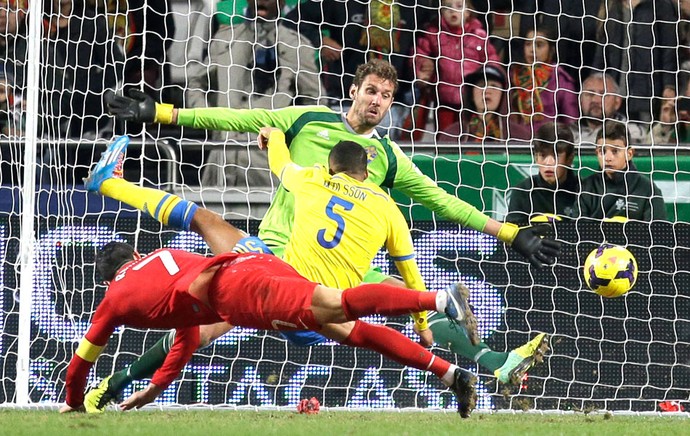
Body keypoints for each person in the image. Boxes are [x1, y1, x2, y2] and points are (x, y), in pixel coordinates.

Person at [104, 58, 559, 392]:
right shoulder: (307, 119)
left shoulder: (388, 157)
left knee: (402, 303)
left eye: (385, 96)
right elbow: (239, 118)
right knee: (208, 323)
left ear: (389, 104)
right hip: (279, 255)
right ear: (355, 91)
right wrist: (163, 113)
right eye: (371, 91)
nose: (377, 101)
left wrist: (509, 232)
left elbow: (440, 200)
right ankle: (119, 381)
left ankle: (494, 363)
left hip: (340, 267)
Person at [186, 0, 322, 188]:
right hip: (223, 156)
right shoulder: (226, 38)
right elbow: (195, 81)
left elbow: (316, 101)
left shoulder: (296, 45)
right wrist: (204, 115)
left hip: (267, 163)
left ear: (282, 3)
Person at [413, 0, 500, 141]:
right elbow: (419, 54)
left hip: (470, 100)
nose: (453, 11)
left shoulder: (479, 35)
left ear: (468, 11)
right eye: (447, 7)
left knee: (470, 135)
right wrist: (423, 67)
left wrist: (491, 80)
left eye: (459, 6)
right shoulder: (434, 34)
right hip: (444, 99)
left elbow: (491, 59)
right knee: (445, 136)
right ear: (441, 12)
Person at [573, 121, 668, 222]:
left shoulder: (648, 190)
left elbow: (658, 234)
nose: (608, 158)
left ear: (629, 153)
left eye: (615, 151)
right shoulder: (587, 187)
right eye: (602, 151)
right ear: (597, 153)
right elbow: (578, 232)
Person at [508, 21, 579, 140]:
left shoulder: (561, 80)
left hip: (549, 145)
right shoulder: (513, 77)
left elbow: (571, 123)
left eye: (539, 45)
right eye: (528, 44)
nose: (532, 50)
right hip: (516, 144)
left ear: (552, 49)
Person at [506, 122, 579, 224]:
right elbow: (513, 236)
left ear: (569, 159)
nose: (548, 163)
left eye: (556, 156)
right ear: (536, 158)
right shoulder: (523, 192)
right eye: (543, 155)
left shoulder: (584, 191)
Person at [572, 72, 647, 146]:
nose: (595, 100)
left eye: (603, 95)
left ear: (617, 102)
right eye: (590, 94)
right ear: (580, 100)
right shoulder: (569, 132)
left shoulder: (632, 132)